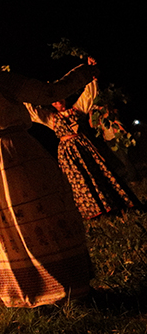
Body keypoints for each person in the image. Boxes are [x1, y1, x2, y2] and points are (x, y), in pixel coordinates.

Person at [0, 29, 96, 307]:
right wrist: (85, 73)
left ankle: (22, 290)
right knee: (37, 215)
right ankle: (65, 284)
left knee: (3, 226)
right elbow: (49, 92)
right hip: (12, 152)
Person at [26, 57, 138, 219]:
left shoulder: (76, 110)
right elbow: (33, 113)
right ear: (52, 103)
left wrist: (91, 74)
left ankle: (109, 203)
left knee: (96, 173)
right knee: (77, 180)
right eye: (55, 101)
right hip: (68, 153)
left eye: (60, 98)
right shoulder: (51, 118)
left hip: (83, 147)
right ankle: (90, 210)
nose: (58, 102)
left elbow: (88, 95)